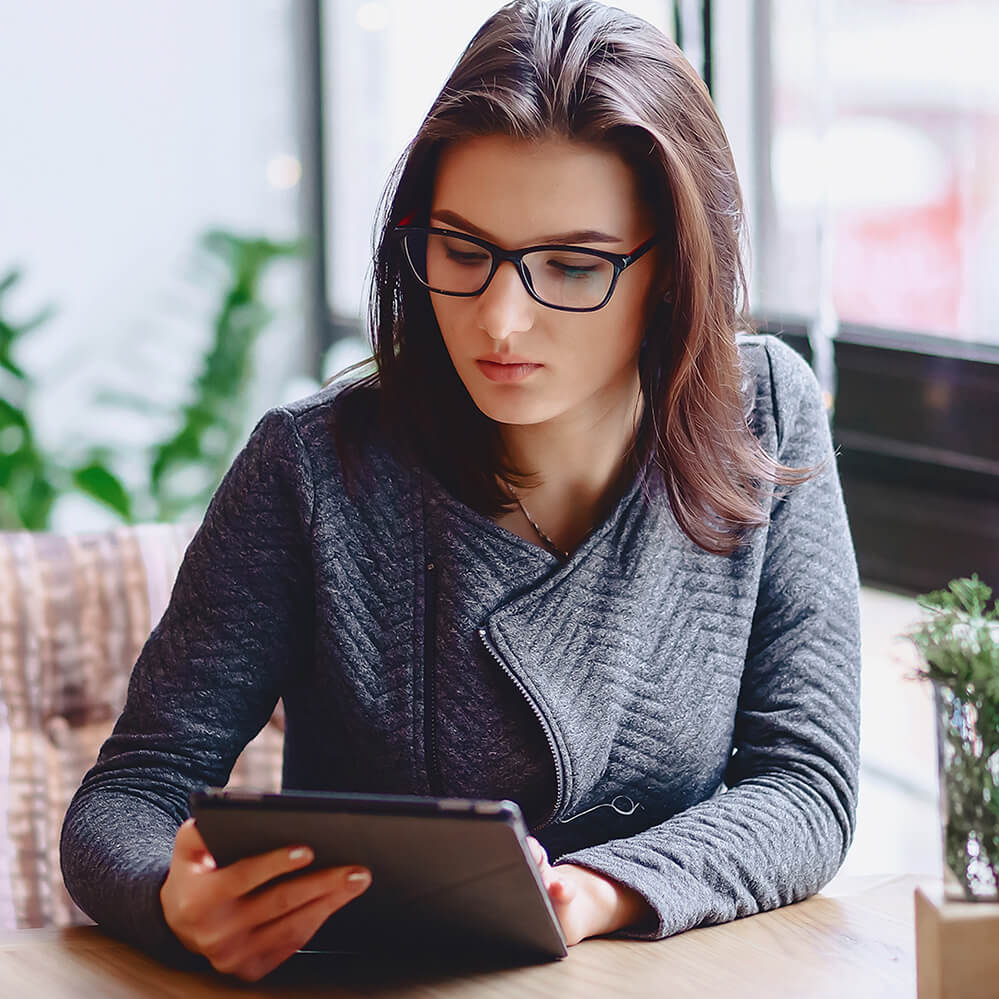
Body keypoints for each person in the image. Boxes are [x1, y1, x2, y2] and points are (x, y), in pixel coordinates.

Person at [61, 0, 861, 984]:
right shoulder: (312, 470)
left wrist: (597, 891)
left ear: (670, 268)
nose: (501, 321)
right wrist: (171, 899)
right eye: (463, 250)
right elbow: (127, 798)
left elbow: (806, 789)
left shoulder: (765, 409)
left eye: (571, 265)